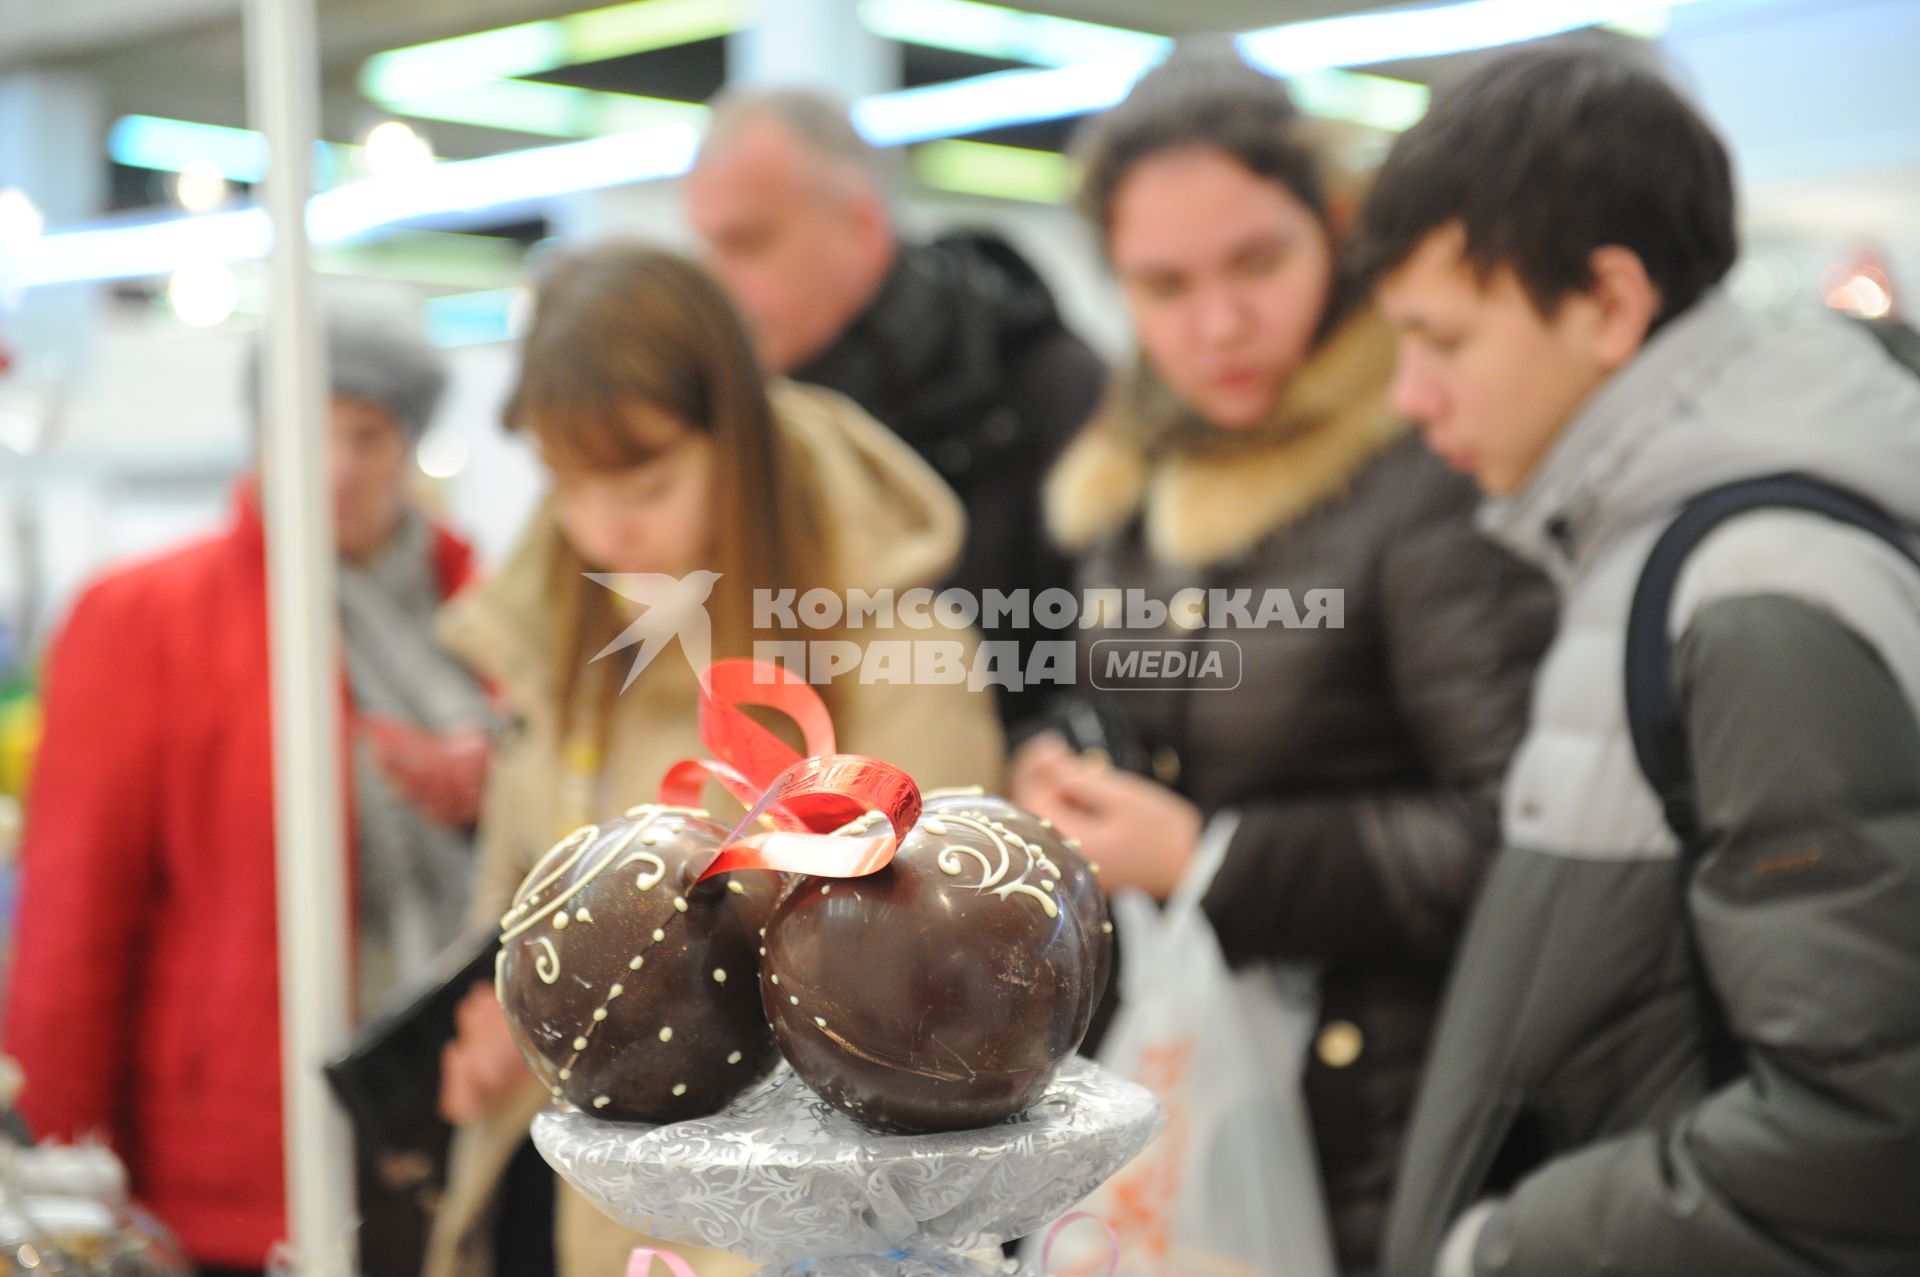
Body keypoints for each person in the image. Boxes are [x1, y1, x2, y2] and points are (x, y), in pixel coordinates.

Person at [1350, 42, 1920, 1277]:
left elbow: (1869, 1132)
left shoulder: (1754, 595)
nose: (1411, 394)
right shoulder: (1638, 549)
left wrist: (1509, 1245)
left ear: (1608, 303)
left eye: (1441, 339)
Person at [1005, 46, 1553, 1277]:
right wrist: (1076, 777)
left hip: (1402, 1122)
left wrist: (1208, 857)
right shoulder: (1132, 479)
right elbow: (1171, 723)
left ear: (1336, 232)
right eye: (1163, 283)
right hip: (1217, 1085)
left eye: (1258, 262)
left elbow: (1519, 835)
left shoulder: (1427, 470)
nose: (1218, 323)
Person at [425, 244, 1004, 1277]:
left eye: (647, 482)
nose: (604, 526)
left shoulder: (890, 652)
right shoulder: (563, 639)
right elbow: (517, 900)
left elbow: (938, 995)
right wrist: (510, 1029)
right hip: (573, 1203)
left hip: (803, 1232)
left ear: (736, 443)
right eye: (566, 485)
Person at [4, 305, 489, 1277]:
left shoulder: (485, 615)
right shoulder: (141, 619)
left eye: (370, 434)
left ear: (412, 448)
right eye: (307, 427)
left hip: (465, 1119)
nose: (337, 465)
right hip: (230, 1152)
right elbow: (75, 915)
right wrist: (53, 1163)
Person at [685, 88, 1107, 732]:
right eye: (706, 248)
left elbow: (1118, 665)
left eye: (749, 242)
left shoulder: (1043, 388)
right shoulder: (737, 426)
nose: (718, 283)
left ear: (861, 225)